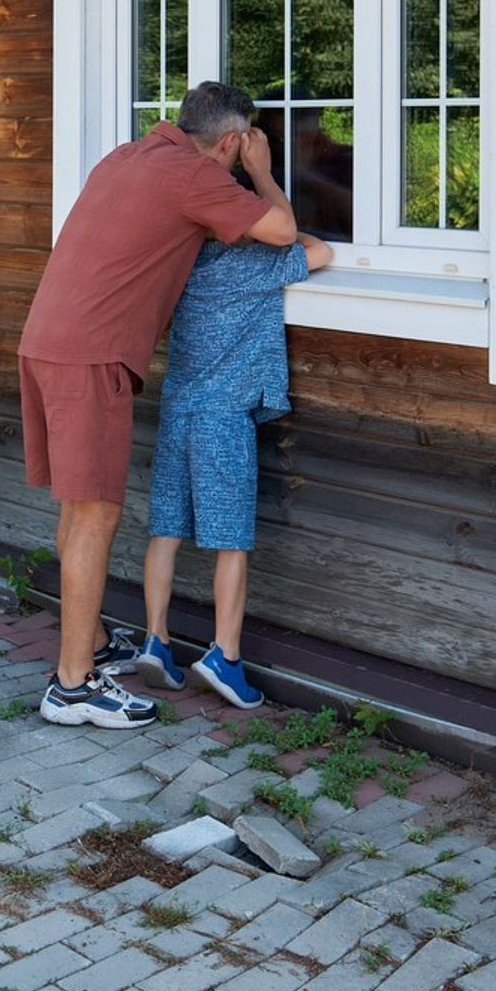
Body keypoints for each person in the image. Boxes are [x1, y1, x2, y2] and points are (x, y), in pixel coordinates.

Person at [18, 81, 296, 729]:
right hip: (91, 355)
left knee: (76, 509)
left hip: (46, 339)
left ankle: (84, 649)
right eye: (239, 150)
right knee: (96, 516)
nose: (237, 162)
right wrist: (262, 173)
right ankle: (73, 687)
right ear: (229, 141)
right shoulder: (195, 176)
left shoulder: (126, 157)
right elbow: (281, 230)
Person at [136, 230, 333, 709]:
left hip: (178, 409)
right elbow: (323, 251)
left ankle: (156, 641)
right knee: (231, 541)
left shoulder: (182, 259)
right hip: (223, 420)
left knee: (166, 531)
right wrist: (286, 225)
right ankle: (225, 655)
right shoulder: (257, 264)